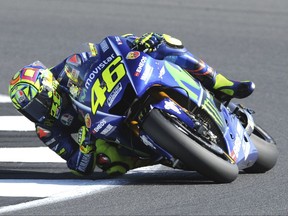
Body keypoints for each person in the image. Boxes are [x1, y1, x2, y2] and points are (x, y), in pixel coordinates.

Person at [8, 32, 255, 176]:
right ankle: (162, 153)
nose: (37, 113)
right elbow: (77, 167)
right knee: (108, 164)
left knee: (163, 43)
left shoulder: (65, 68)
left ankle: (220, 82)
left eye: (37, 103)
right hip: (105, 130)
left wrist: (134, 42)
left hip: (115, 94)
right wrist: (85, 143)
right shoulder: (46, 130)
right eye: (29, 110)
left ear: (48, 88)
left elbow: (101, 52)